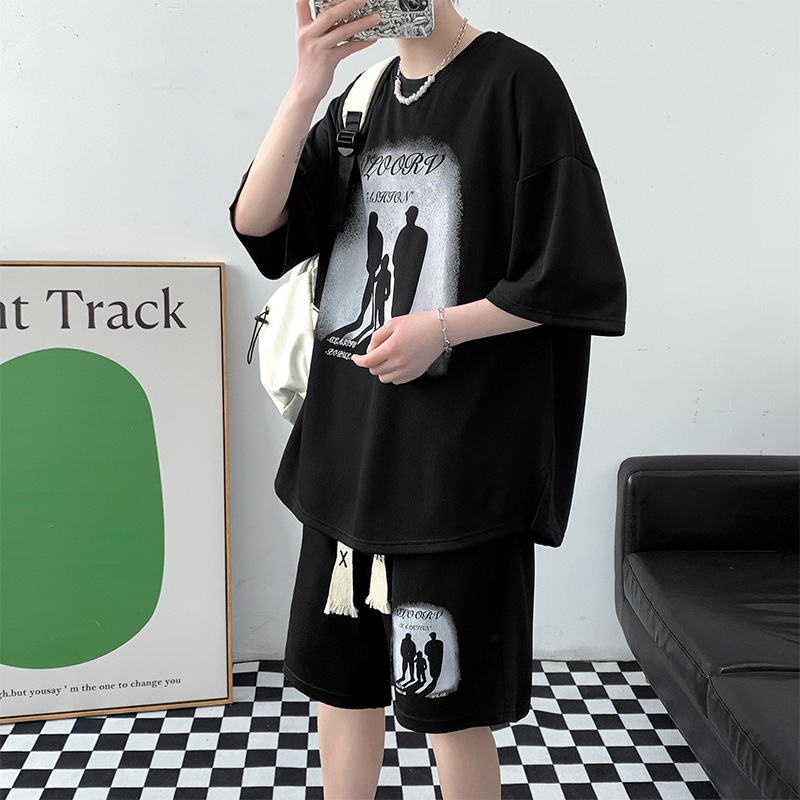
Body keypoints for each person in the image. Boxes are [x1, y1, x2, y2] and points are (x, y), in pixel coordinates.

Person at [230, 1, 626, 797]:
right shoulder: (358, 98)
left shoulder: (518, 83)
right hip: (345, 467)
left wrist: (442, 329)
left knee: (452, 713)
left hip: (455, 475)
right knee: (342, 693)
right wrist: (307, 86)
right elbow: (259, 225)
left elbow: (573, 272)